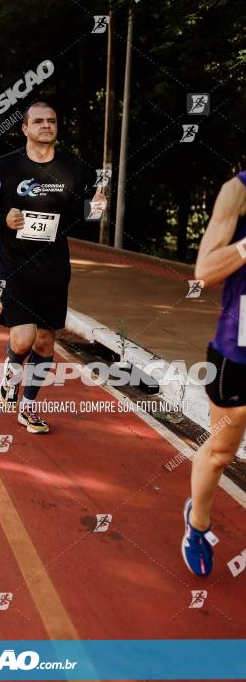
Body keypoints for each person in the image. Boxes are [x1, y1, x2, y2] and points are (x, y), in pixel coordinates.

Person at [0, 101, 106, 434]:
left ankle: (29, 408)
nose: (46, 125)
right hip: (15, 264)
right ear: (25, 128)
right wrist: (2, 219)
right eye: (38, 121)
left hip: (54, 266)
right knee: (23, 339)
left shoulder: (76, 170)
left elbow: (88, 215)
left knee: (45, 343)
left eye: (52, 120)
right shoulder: (4, 166)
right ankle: (11, 367)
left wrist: (98, 207)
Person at [182, 169, 246, 577]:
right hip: (239, 351)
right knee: (222, 452)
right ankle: (198, 525)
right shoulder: (238, 190)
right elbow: (204, 271)